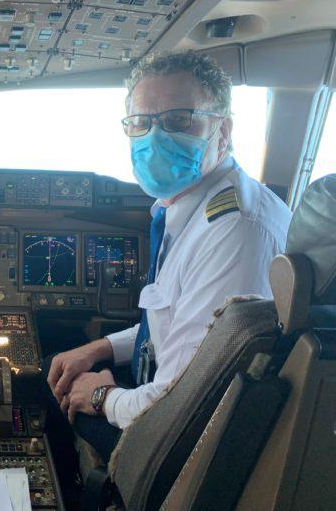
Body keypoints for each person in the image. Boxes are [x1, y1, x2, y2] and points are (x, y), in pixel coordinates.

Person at [44, 52, 292, 470]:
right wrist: (102, 346)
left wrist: (103, 396)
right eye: (142, 122)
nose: (154, 137)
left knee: (44, 386)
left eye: (178, 120)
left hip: (178, 439)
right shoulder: (189, 207)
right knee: (66, 363)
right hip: (170, 398)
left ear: (223, 130)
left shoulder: (234, 230)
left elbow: (183, 398)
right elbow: (179, 322)